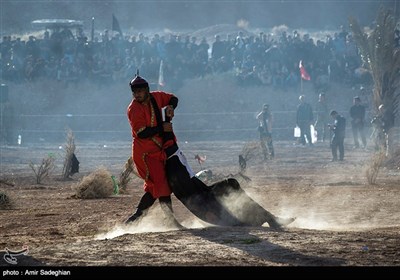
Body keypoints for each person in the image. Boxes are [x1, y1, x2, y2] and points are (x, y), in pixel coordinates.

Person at [124, 73, 180, 226]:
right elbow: (142, 133)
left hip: (158, 150)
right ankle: (170, 221)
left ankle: (134, 220)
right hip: (145, 154)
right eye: (135, 92)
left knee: (155, 187)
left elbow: (173, 99)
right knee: (161, 184)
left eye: (140, 91)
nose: (137, 95)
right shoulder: (134, 109)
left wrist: (170, 107)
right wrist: (162, 127)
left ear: (147, 90)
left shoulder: (156, 97)